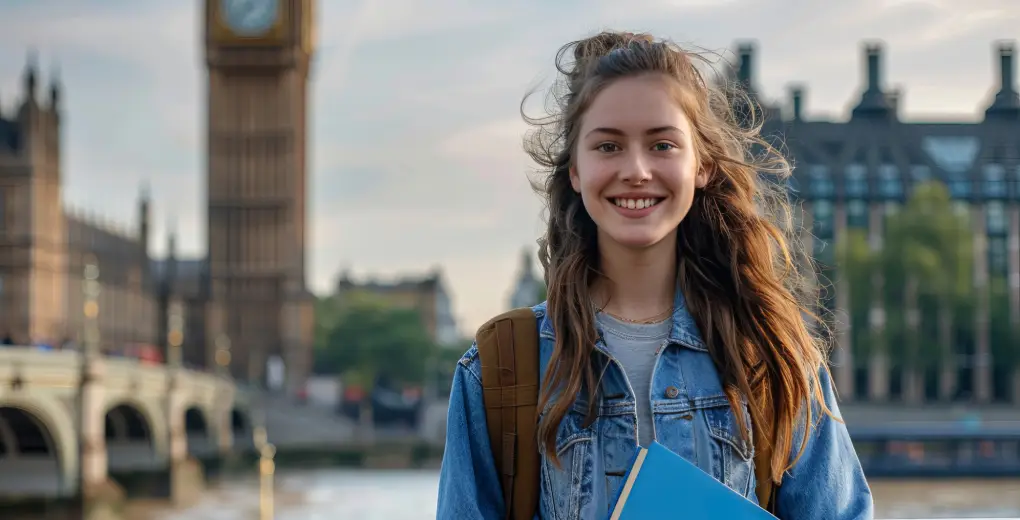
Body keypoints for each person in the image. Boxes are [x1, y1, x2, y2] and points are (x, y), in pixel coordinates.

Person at [436, 31, 874, 520]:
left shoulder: (773, 355)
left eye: (662, 144)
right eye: (608, 147)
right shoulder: (501, 369)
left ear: (702, 164)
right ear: (575, 171)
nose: (637, 170)